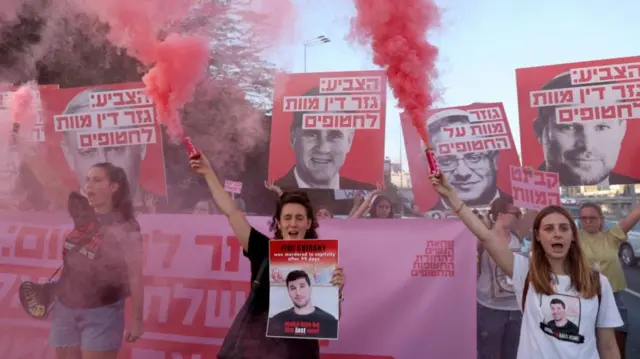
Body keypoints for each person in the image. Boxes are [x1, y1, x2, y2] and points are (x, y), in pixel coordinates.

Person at [430, 172, 622, 359]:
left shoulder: (598, 283)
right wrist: (452, 196)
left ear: (573, 236)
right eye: (549, 228)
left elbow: (608, 345)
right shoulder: (526, 273)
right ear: (538, 236)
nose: (557, 234)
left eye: (564, 228)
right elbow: (486, 236)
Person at [189, 153, 345, 358]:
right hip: (257, 352)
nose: (293, 223)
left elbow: (329, 319)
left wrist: (338, 293)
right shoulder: (264, 249)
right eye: (287, 217)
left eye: (299, 218)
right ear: (279, 223)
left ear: (308, 223)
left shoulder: (321, 263)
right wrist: (208, 173)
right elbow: (232, 213)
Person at [49, 162, 144, 359]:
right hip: (65, 309)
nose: (89, 185)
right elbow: (50, 183)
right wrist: (28, 148)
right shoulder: (82, 212)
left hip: (102, 313)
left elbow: (135, 276)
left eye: (97, 180)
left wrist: (137, 320)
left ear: (113, 187)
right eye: (87, 180)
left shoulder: (126, 226)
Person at [59, 88, 154, 211]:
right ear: (68, 156)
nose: (103, 166)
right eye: (88, 152)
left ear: (141, 146)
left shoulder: (175, 211)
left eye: (116, 149)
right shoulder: (51, 214)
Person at [533, 72, 635, 186]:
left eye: (601, 127)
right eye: (569, 127)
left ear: (622, 131)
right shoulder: (517, 198)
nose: (588, 145)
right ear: (539, 131)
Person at [273, 87, 375, 190]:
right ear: (293, 138)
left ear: (349, 140)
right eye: (312, 134)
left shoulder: (368, 195)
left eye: (334, 136)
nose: (323, 148)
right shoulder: (268, 194)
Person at [578, 202, 639, 358]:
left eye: (592, 218)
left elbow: (634, 216)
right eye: (584, 218)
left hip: (612, 296)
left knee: (618, 341)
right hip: (584, 297)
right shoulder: (574, 238)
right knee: (587, 343)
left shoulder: (611, 236)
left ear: (601, 219)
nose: (588, 222)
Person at [475, 197, 527, 359]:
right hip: (489, 308)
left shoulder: (517, 236)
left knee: (512, 354)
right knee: (488, 354)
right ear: (501, 215)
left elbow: (534, 212)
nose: (519, 217)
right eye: (516, 213)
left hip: (516, 308)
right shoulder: (483, 238)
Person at [426, 110, 505, 209]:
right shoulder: (427, 219)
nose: (463, 173)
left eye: (474, 157)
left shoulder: (521, 209)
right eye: (446, 161)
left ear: (494, 160)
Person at [267, 270, 338, 339]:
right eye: (293, 288)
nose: (298, 293)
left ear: (310, 288)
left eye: (302, 286)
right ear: (288, 292)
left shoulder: (329, 320)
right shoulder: (276, 320)